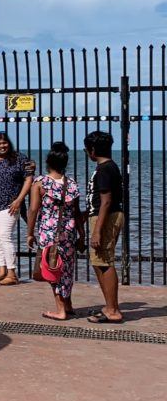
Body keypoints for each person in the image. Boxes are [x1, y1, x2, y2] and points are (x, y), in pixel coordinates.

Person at [27, 142, 86, 320]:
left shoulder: (40, 183)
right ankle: (68, 305)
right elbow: (76, 214)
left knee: (53, 269)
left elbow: (33, 210)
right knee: (67, 268)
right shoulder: (72, 184)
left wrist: (30, 233)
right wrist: (82, 235)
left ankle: (60, 310)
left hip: (49, 232)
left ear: (48, 162)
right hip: (68, 231)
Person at [84, 131, 125, 323]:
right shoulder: (109, 167)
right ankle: (109, 306)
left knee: (104, 261)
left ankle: (113, 310)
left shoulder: (104, 169)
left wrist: (97, 230)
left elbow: (106, 202)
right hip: (105, 216)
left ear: (92, 150)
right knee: (99, 261)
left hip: (105, 218)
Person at [0, 132, 34, 285]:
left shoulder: (19, 158)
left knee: (6, 236)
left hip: (10, 203)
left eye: (4, 143)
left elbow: (29, 179)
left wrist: (19, 199)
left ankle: (12, 274)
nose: (2, 146)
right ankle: (2, 271)